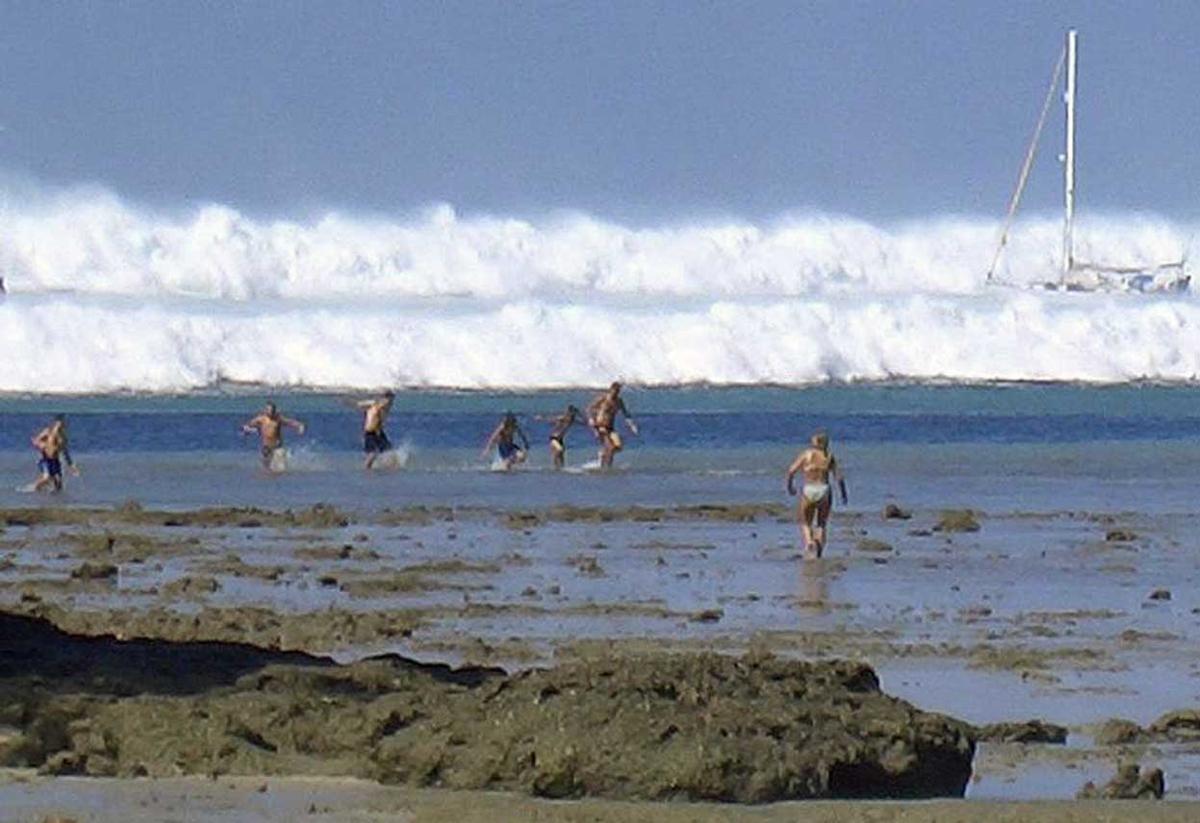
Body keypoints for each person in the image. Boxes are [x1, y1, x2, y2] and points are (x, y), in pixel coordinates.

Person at [785, 430, 848, 559]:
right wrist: (843, 494)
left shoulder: (807, 454)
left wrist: (790, 487)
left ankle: (809, 542)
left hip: (809, 489)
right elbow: (839, 478)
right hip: (824, 490)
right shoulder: (829, 456)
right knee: (821, 523)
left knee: (805, 522)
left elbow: (791, 470)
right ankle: (819, 550)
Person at [587, 382, 638, 468]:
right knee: (610, 447)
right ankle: (606, 467)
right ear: (610, 390)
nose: (615, 394)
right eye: (614, 391)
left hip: (610, 427)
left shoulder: (618, 401)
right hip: (600, 426)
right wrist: (591, 419)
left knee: (618, 446)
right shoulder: (603, 398)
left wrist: (632, 425)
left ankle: (603, 455)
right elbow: (589, 409)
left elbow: (626, 414)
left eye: (617, 392)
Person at [241, 402, 305, 471]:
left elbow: (291, 422)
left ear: (274, 410)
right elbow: (248, 425)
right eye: (268, 410)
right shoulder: (261, 419)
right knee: (266, 469)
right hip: (266, 447)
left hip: (277, 446)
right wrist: (247, 430)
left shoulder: (278, 419)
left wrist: (300, 426)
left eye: (272, 410)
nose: (270, 412)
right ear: (265, 410)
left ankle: (281, 479)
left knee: (281, 468)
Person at [30, 415, 80, 492]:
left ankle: (55, 501)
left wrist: (72, 466)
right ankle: (33, 490)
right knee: (47, 478)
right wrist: (41, 445)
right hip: (45, 459)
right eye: (59, 423)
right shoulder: (48, 431)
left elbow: (65, 453)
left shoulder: (63, 438)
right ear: (55, 423)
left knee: (59, 484)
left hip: (55, 460)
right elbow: (35, 440)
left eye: (62, 424)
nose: (60, 425)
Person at [353, 390, 395, 469]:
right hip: (371, 432)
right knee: (372, 454)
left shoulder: (382, 407)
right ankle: (367, 469)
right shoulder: (378, 406)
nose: (391, 403)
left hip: (378, 431)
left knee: (389, 451)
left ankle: (387, 467)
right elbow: (376, 418)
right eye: (390, 400)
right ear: (385, 399)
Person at [536, 404, 583, 469]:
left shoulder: (572, 420)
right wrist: (541, 418)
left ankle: (561, 470)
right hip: (554, 438)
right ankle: (555, 467)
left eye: (574, 414)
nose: (572, 415)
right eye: (571, 413)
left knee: (562, 456)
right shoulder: (562, 418)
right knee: (559, 450)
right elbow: (551, 419)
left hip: (561, 439)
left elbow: (582, 422)